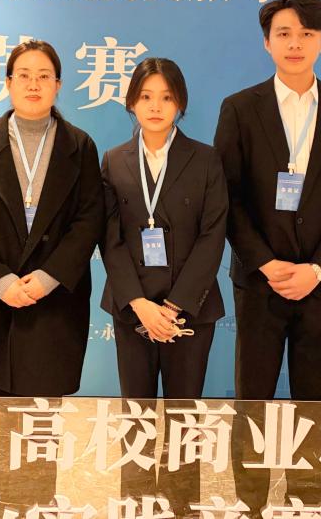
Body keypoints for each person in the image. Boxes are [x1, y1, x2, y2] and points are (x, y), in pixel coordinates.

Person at [213, 0, 321, 515]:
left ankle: (306, 502)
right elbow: (228, 197)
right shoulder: (240, 108)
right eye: (283, 33)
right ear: (267, 42)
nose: (295, 43)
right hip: (259, 282)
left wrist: (319, 268)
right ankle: (250, 503)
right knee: (252, 401)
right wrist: (265, 262)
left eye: (307, 33)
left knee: (315, 402)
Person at [0, 39, 104, 511]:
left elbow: (89, 220)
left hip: (51, 302)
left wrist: (48, 277)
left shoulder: (80, 146)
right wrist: (0, 281)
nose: (33, 84)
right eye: (24, 75)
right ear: (8, 83)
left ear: (58, 85)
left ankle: (38, 505)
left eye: (44, 76)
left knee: (41, 422)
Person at [100, 57, 228, 517]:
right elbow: (109, 238)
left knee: (183, 420)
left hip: (189, 311)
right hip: (132, 309)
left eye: (167, 97)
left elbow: (213, 236)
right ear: (132, 102)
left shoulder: (206, 159)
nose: (156, 106)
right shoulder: (113, 160)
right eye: (146, 96)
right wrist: (139, 303)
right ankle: (133, 507)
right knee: (135, 419)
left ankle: (181, 507)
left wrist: (173, 307)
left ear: (180, 103)